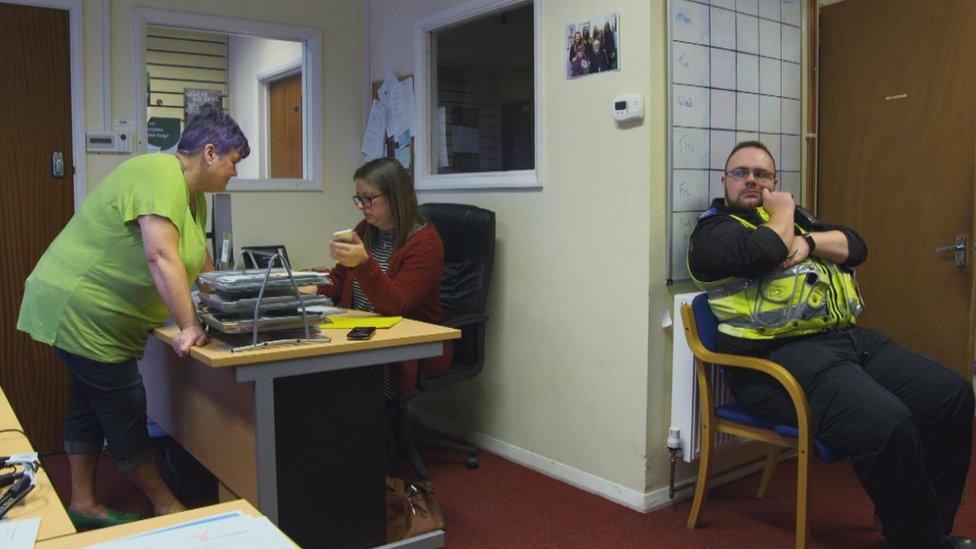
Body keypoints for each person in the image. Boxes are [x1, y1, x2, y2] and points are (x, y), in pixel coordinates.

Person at [687, 141, 974, 548]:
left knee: (952, 395)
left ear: (774, 181)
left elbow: (855, 246)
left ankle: (930, 525)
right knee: (888, 422)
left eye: (762, 174)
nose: (751, 180)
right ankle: (919, 540)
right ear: (724, 181)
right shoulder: (713, 232)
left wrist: (809, 242)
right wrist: (783, 209)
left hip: (845, 341)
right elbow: (764, 251)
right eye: (741, 172)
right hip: (775, 362)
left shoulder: (796, 222)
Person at [17, 106, 249, 528]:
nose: (235, 173)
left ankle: (84, 502)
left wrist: (230, 302)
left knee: (87, 404)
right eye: (235, 162)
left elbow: (199, 264)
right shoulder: (161, 172)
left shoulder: (193, 200)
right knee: (124, 406)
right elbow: (161, 257)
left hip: (96, 316)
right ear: (211, 152)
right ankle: (166, 505)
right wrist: (190, 325)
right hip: (82, 310)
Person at [316, 157, 451, 398]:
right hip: (359, 337)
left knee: (337, 390)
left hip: (401, 350)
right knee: (309, 376)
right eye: (359, 198)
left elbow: (397, 304)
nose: (361, 206)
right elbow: (337, 282)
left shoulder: (426, 244)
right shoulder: (365, 229)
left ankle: (371, 433)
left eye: (369, 198)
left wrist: (362, 263)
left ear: (395, 196)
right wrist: (295, 285)